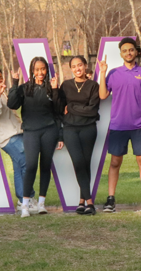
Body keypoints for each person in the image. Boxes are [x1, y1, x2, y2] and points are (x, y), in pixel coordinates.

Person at [98, 37, 141, 213]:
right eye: (124, 50)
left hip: (140, 125)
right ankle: (110, 200)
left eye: (131, 50)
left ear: (136, 52)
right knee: (115, 162)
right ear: (121, 53)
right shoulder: (113, 74)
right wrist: (102, 73)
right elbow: (102, 95)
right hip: (118, 125)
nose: (128, 53)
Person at [8, 57, 64, 218]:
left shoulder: (51, 87)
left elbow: (59, 111)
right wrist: (14, 82)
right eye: (37, 69)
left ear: (47, 70)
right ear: (32, 71)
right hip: (31, 132)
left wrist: (55, 90)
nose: (40, 73)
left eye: (43, 69)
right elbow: (12, 104)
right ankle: (25, 205)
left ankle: (41, 204)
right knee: (31, 165)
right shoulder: (25, 88)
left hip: (49, 131)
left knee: (45, 166)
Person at [58, 56, 101, 215]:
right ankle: (90, 201)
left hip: (88, 129)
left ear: (85, 66)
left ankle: (82, 201)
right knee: (78, 162)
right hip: (70, 129)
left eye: (80, 65)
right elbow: (59, 110)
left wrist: (72, 107)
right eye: (74, 66)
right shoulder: (66, 86)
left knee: (85, 163)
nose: (77, 69)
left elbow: (93, 111)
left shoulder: (93, 86)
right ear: (71, 69)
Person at [0, 66, 30, 210]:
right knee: (26, 164)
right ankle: (26, 199)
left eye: (0, 78)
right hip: (9, 138)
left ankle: (22, 199)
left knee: (18, 168)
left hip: (15, 134)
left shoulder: (2, 93)